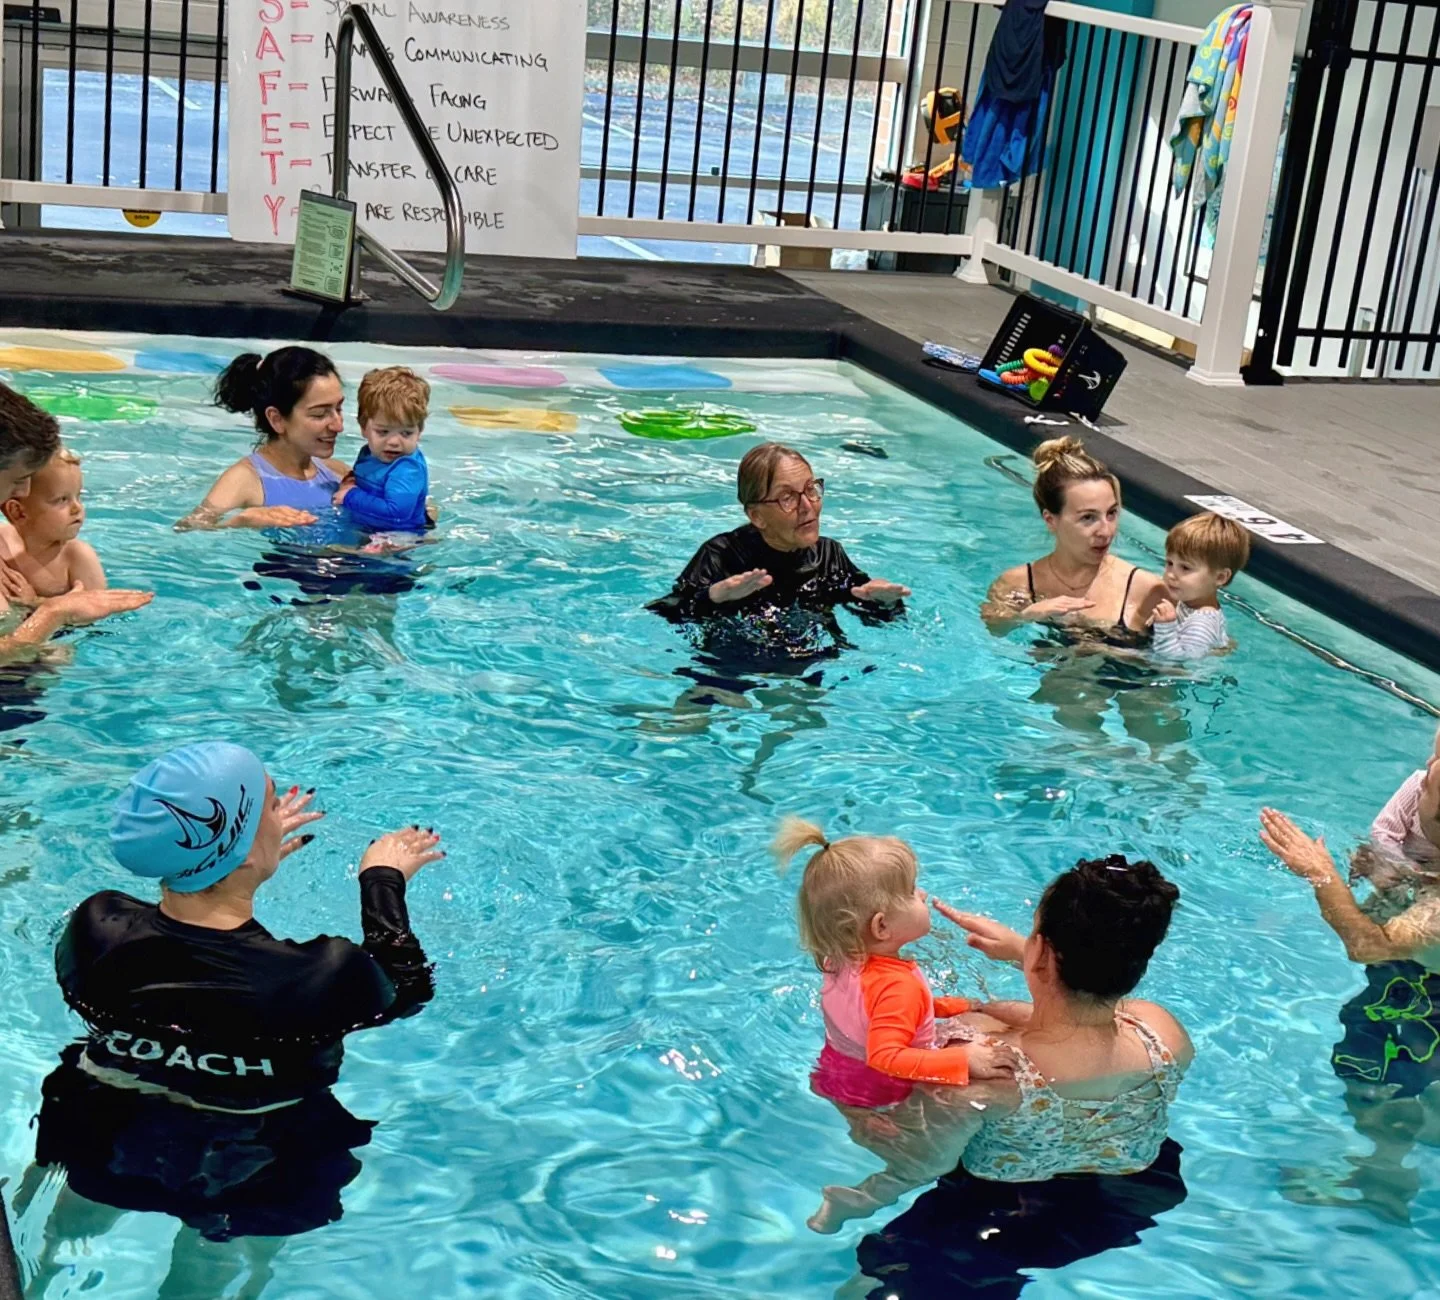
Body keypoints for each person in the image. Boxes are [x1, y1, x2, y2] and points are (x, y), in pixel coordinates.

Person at [22, 740, 444, 1253]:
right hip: (260, 1158)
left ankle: (49, 1256)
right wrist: (383, 879)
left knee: (77, 1211)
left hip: (101, 1129)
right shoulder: (320, 976)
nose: (281, 812)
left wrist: (233, 865)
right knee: (220, 1262)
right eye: (271, 803)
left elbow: (175, 944)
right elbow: (407, 989)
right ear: (243, 850)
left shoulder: (94, 929)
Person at [835, 857, 1192, 1300]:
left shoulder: (986, 1069)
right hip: (1125, 1200)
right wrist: (1025, 951)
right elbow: (1093, 1009)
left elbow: (921, 1160)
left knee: (870, 1284)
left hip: (1003, 1217)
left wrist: (853, 1112)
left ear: (1042, 953)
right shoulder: (1163, 1031)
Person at [778, 817, 1014, 1234]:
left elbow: (876, 1014)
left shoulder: (841, 957)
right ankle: (857, 1200)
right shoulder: (895, 985)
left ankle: (859, 1124)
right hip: (882, 1091)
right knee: (930, 1164)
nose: (921, 895)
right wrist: (963, 1062)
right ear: (882, 926)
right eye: (910, 892)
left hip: (837, 1074)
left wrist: (948, 1007)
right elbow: (887, 1056)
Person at [1260, 799, 1440, 1220]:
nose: (1422, 776)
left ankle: (1386, 1182)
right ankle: (1384, 1169)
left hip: (1423, 1007)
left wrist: (1321, 874)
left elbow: (1367, 945)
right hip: (1406, 990)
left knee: (1379, 1086)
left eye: (1430, 782)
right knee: (1371, 1073)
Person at [649, 442, 909, 664]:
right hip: (732, 660)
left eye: (811, 489)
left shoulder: (828, 554)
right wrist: (713, 597)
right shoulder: (721, 555)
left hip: (809, 657)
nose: (807, 506)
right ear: (757, 516)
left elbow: (870, 610)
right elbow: (665, 611)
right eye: (788, 498)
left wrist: (883, 602)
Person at [0, 384, 152, 659]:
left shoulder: (77, 555)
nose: (23, 492)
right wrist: (53, 612)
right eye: (18, 480)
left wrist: (44, 608)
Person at [983, 437, 1165, 642]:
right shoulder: (1018, 584)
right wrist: (1027, 615)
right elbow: (993, 629)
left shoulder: (1146, 590)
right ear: (1051, 520)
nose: (1106, 531)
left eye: (1111, 513)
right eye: (1088, 517)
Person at [176, 347, 347, 532]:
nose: (338, 426)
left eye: (338, 409)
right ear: (277, 419)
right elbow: (185, 529)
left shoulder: (338, 473)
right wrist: (240, 522)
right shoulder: (244, 480)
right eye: (319, 414)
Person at [334, 366, 431, 536]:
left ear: (419, 431)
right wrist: (351, 482)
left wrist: (350, 496)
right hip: (369, 527)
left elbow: (397, 512)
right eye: (383, 432)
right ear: (364, 428)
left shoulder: (407, 468)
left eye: (406, 433)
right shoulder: (368, 453)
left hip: (402, 534)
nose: (394, 442)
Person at [0, 447, 107, 595]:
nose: (77, 508)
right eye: (62, 499)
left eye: (78, 496)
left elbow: (96, 605)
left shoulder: (77, 556)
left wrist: (34, 602)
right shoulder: (3, 541)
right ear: (18, 512)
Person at [1150, 512, 1250, 660]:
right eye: (1169, 563)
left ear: (1220, 577)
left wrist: (1165, 628)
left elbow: (1178, 662)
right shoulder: (1192, 602)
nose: (1171, 574)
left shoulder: (1201, 624)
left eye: (1185, 568)